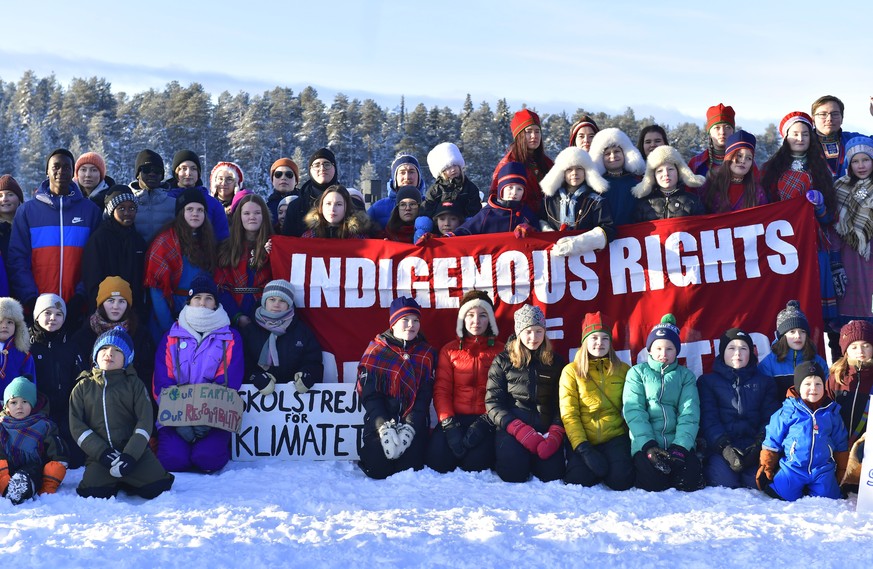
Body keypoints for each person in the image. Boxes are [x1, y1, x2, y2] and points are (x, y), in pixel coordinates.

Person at [152, 275, 243, 473]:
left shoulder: (230, 337)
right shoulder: (171, 336)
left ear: (215, 303)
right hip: (175, 419)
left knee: (207, 459)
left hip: (214, 419)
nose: (202, 303)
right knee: (172, 460)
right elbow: (162, 381)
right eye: (197, 298)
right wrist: (180, 420)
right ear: (189, 301)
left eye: (208, 298)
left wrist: (206, 417)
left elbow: (228, 382)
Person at [70, 327, 174, 499]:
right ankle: (115, 478)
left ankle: (130, 477)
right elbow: (77, 426)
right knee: (92, 492)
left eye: (117, 350)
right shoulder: (83, 387)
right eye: (104, 348)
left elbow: (144, 422)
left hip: (135, 454)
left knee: (158, 486)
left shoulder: (135, 385)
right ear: (95, 354)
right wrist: (102, 453)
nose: (109, 353)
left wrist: (131, 455)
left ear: (127, 359)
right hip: (100, 456)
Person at [761, 112, 838, 334]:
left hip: (813, 244)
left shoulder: (820, 169)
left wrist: (821, 205)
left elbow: (829, 218)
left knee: (816, 305)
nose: (800, 138)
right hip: (781, 244)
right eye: (795, 134)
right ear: (785, 137)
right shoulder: (770, 170)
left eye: (805, 133)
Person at [8, 148, 101, 325]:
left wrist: (81, 297)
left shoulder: (90, 211)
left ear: (73, 172)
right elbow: (17, 259)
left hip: (77, 309)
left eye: (66, 167)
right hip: (37, 310)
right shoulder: (27, 212)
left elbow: (95, 261)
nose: (61, 171)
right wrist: (30, 298)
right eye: (56, 166)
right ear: (47, 171)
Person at [356, 297, 436, 480]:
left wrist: (410, 428)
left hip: (412, 422)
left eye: (415, 320)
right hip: (382, 422)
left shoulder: (427, 353)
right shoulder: (376, 351)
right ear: (393, 323)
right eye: (405, 320)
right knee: (378, 469)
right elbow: (370, 396)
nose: (411, 325)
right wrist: (383, 426)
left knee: (408, 468)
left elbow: (424, 396)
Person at [622, 314, 704, 492]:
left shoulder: (685, 376)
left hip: (677, 443)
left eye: (669, 349)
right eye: (658, 348)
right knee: (653, 484)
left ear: (676, 351)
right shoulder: (637, 373)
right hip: (647, 443)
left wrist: (680, 446)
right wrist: (648, 445)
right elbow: (634, 411)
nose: (663, 354)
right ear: (649, 349)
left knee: (689, 482)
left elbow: (689, 413)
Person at [485, 304, 565, 483]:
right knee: (513, 475)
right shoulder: (502, 361)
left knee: (552, 475)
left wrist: (556, 432)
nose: (533, 337)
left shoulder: (555, 361)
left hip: (545, 428)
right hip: (514, 427)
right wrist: (517, 429)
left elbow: (563, 402)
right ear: (519, 332)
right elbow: (493, 402)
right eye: (528, 331)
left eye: (538, 331)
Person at [426, 290, 503, 474]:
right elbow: (442, 390)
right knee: (437, 463)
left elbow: (504, 393)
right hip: (455, 418)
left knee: (475, 465)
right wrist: (449, 424)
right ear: (462, 318)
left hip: (486, 420)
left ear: (490, 320)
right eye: (470, 315)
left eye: (482, 315)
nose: (476, 321)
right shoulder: (449, 350)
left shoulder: (501, 351)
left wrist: (486, 421)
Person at [560, 312, 634, 490]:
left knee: (622, 481)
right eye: (594, 338)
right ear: (585, 341)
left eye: (604, 338)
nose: (599, 343)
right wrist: (583, 448)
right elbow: (569, 414)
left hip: (614, 435)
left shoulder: (623, 369)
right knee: (578, 480)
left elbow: (632, 406)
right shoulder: (571, 371)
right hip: (585, 437)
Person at [698, 328, 779, 489]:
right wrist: (725, 448)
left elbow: (770, 418)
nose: (738, 353)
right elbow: (709, 420)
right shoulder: (707, 382)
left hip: (753, 446)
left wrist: (757, 447)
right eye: (732, 348)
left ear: (750, 353)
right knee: (724, 484)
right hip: (721, 448)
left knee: (756, 483)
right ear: (722, 352)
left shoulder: (765, 383)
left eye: (743, 348)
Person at [757, 362, 848, 501]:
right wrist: (766, 466)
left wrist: (842, 470)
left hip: (822, 469)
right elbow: (772, 439)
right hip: (793, 467)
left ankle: (816, 486)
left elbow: (840, 442)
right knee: (782, 494)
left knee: (829, 497)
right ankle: (792, 485)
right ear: (799, 387)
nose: (813, 388)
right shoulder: (788, 411)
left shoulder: (831, 412)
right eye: (807, 384)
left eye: (818, 384)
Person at [144, 188, 218, 342]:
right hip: (171, 311)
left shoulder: (208, 241)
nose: (195, 213)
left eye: (200, 210)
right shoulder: (165, 241)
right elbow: (156, 288)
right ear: (180, 213)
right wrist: (168, 325)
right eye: (189, 209)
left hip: (202, 310)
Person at [71, 277, 153, 398]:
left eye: (121, 301)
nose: (116, 306)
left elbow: (147, 372)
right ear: (101, 303)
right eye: (110, 300)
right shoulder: (84, 335)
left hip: (130, 399)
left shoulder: (140, 334)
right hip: (93, 400)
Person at [28, 294, 84, 468]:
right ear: (37, 316)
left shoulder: (71, 346)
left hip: (66, 411)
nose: (53, 318)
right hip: (38, 412)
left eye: (58, 314)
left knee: (75, 459)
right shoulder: (27, 345)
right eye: (47, 313)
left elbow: (81, 378)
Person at [241, 280, 324, 396]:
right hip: (257, 399)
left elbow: (314, 362)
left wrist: (307, 375)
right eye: (272, 299)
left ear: (289, 304)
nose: (276, 304)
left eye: (282, 300)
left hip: (294, 401)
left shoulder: (302, 331)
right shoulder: (249, 331)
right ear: (264, 301)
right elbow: (242, 362)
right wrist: (255, 378)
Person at [0, 376, 67, 504]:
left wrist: (50, 480)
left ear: (33, 404)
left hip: (34, 468)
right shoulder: (2, 426)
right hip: (7, 467)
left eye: (25, 402)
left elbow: (58, 452)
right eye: (14, 402)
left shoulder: (43, 425)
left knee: (32, 473)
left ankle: (22, 487)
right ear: (7, 407)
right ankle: (7, 486)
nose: (19, 406)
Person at [82, 187, 147, 317]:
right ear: (112, 211)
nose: (127, 213)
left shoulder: (138, 240)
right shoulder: (99, 239)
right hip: (105, 310)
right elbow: (92, 277)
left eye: (132, 208)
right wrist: (102, 308)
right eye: (121, 208)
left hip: (133, 311)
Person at [539, 146, 614, 258]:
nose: (574, 173)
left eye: (579, 168)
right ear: (562, 173)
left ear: (586, 171)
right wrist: (550, 234)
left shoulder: (596, 200)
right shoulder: (549, 199)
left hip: (588, 259)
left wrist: (577, 244)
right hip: (555, 257)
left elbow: (608, 230)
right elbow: (540, 220)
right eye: (569, 169)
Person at [826, 320, 873, 493]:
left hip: (866, 448)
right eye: (854, 347)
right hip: (838, 446)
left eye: (866, 345)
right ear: (845, 350)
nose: (860, 351)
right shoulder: (836, 376)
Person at [216, 193, 274, 328]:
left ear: (264, 216)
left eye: (257, 213)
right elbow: (221, 287)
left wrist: (272, 256)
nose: (252, 217)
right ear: (239, 217)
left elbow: (280, 281)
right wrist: (236, 315)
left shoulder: (274, 245)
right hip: (232, 314)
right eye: (246, 213)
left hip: (266, 313)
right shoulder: (226, 248)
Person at [833, 137, 873, 322]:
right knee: (850, 303)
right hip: (848, 253)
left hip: (870, 252)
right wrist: (835, 261)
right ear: (849, 164)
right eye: (856, 161)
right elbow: (833, 225)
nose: (861, 166)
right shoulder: (840, 187)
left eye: (866, 160)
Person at [759, 300, 828, 396]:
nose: (798, 336)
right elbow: (766, 399)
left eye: (802, 331)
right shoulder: (768, 364)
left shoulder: (818, 362)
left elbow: (826, 394)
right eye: (792, 331)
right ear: (782, 336)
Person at [490, 109, 553, 213]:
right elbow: (496, 197)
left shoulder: (547, 163)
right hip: (519, 219)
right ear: (519, 136)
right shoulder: (508, 164)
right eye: (529, 132)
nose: (534, 136)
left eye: (537, 131)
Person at [454, 162, 541, 236]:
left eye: (519, 189)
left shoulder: (526, 213)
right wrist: (451, 236)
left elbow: (538, 231)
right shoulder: (487, 213)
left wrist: (530, 229)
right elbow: (467, 230)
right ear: (501, 189)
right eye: (510, 187)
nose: (514, 192)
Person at [417, 143, 482, 240]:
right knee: (424, 224)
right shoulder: (436, 190)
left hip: (462, 227)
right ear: (442, 171)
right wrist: (425, 225)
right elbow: (427, 208)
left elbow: (474, 209)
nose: (453, 170)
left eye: (455, 165)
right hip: (439, 228)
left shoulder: (469, 188)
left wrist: (469, 223)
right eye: (448, 168)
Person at [587, 127, 647, 226]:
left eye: (617, 151)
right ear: (600, 159)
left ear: (625, 154)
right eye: (607, 153)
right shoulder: (597, 187)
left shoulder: (637, 184)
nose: (613, 156)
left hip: (632, 237)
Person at [166, 150, 230, 242]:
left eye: (193, 169)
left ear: (198, 173)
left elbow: (222, 238)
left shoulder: (213, 204)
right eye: (183, 168)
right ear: (176, 172)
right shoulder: (166, 200)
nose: (188, 173)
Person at [700, 130, 767, 213]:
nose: (743, 161)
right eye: (739, 156)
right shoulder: (711, 186)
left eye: (749, 158)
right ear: (728, 157)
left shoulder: (756, 191)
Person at [632, 146, 705, 221]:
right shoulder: (643, 204)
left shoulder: (693, 201)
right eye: (660, 171)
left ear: (678, 172)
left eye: (670, 169)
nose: (666, 174)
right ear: (653, 176)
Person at [811, 95, 873, 179]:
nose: (829, 118)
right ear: (813, 119)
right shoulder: (803, 143)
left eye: (835, 114)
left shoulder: (854, 140)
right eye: (823, 114)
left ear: (842, 118)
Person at [282, 148, 340, 237]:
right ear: (310, 170)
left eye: (327, 164)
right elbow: (286, 244)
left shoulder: (351, 204)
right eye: (317, 165)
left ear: (335, 168)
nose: (322, 168)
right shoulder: (296, 207)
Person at [368, 154, 428, 230]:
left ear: (418, 176)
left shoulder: (429, 205)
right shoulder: (377, 209)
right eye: (402, 172)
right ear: (395, 177)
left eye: (411, 172)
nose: (407, 177)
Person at [130, 149, 175, 244]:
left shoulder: (174, 204)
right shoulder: (125, 201)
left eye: (157, 170)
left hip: (163, 257)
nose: (152, 174)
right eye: (146, 170)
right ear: (138, 174)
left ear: (162, 175)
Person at [301, 184, 371, 239]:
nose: (332, 209)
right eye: (328, 204)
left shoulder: (359, 239)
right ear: (321, 207)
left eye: (339, 204)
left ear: (346, 207)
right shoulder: (309, 237)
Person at [688, 104, 735, 177]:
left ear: (733, 131)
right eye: (717, 128)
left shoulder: (744, 162)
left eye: (727, 127)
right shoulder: (696, 164)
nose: (722, 132)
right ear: (709, 132)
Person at [0, 297, 35, 393]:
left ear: (17, 326)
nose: (4, 326)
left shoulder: (24, 355)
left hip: (14, 405)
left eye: (10, 322)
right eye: (0, 321)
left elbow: (29, 387)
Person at [265, 158, 299, 226]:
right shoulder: (266, 209)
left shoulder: (305, 204)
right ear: (272, 180)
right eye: (278, 174)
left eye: (289, 174)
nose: (283, 178)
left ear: (296, 181)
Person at [0, 174, 24, 262]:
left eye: (10, 194)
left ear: (19, 199)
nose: (4, 199)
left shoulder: (27, 227)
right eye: (0, 195)